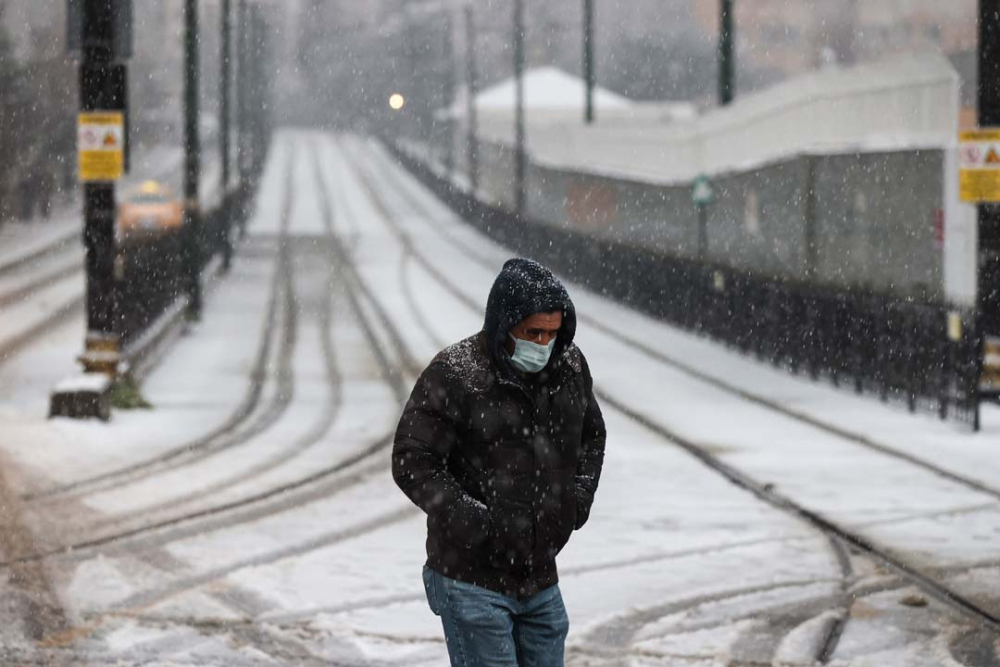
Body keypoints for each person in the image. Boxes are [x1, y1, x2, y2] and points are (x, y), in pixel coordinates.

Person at [393, 257, 607, 666]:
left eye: (551, 333)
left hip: (540, 576)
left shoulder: (570, 368)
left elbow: (592, 436)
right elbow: (412, 459)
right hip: (470, 577)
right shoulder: (457, 374)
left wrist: (574, 501)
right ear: (504, 324)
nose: (543, 345)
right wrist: (477, 522)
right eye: (533, 333)